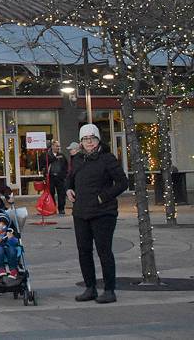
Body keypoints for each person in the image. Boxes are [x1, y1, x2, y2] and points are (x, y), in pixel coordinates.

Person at [68, 123, 127, 305]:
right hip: (81, 212)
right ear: (81, 142)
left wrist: (103, 197)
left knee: (104, 251)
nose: (89, 142)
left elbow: (122, 182)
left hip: (103, 213)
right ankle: (90, 288)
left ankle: (109, 290)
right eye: (85, 139)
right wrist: (68, 189)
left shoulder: (107, 159)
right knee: (84, 251)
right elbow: (69, 179)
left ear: (98, 140)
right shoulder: (77, 159)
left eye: (92, 138)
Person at [45, 140, 69, 215]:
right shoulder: (47, 155)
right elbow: (44, 165)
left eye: (59, 146)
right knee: (51, 194)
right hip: (51, 178)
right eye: (57, 146)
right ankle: (53, 208)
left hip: (60, 178)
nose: (58, 147)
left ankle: (61, 209)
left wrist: (64, 175)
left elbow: (66, 166)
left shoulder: (62, 155)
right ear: (52, 146)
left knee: (61, 194)